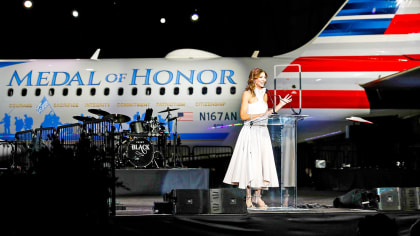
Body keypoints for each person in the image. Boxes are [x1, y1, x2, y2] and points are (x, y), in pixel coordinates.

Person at [223, 67, 292, 209]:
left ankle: (258, 197)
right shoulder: (247, 93)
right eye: (261, 77)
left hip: (262, 132)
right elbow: (243, 116)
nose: (264, 80)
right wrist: (261, 115)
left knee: (261, 165)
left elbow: (267, 113)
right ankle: (248, 198)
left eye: (265, 77)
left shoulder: (265, 95)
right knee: (249, 165)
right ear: (253, 78)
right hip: (250, 131)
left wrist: (280, 105)